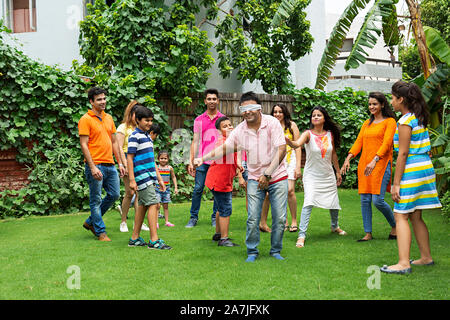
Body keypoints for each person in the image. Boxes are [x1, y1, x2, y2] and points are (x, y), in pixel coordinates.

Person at [197, 91, 288, 262]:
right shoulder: (240, 130)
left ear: (259, 108)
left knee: (280, 217)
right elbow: (224, 148)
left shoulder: (272, 123)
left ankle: (275, 250)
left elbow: (281, 149)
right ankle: (252, 251)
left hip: (277, 175)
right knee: (253, 217)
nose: (248, 112)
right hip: (254, 177)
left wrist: (268, 174)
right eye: (244, 109)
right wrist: (203, 158)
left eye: (251, 108)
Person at [380, 81, 441, 274]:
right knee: (415, 215)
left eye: (392, 97)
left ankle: (403, 263)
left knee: (400, 215)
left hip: (412, 168)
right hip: (425, 167)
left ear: (401, 99)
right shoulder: (418, 118)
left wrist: (396, 184)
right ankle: (425, 257)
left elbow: (403, 154)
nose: (391, 101)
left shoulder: (405, 121)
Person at [286, 106, 346, 248]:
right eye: (314, 115)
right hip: (311, 175)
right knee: (309, 201)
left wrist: (337, 172)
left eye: (319, 115)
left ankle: (334, 226)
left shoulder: (330, 134)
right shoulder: (307, 134)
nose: (316, 117)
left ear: (324, 118)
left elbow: (333, 155)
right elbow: (296, 144)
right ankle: (301, 235)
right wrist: (288, 141)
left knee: (333, 201)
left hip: (327, 174)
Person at [341, 92, 397, 242]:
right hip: (364, 166)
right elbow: (359, 142)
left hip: (381, 164)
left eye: (375, 104)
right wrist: (348, 158)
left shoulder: (390, 122)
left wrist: (375, 159)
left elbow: (387, 144)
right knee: (365, 199)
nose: (371, 107)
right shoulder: (367, 123)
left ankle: (395, 225)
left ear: (382, 105)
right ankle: (368, 233)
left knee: (378, 200)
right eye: (370, 104)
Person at [78, 87, 125, 241]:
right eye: (99, 99)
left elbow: (114, 142)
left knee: (114, 194)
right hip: (95, 164)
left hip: (110, 164)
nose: (103, 101)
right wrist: (91, 167)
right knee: (96, 199)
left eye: (104, 98)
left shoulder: (109, 118)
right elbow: (84, 145)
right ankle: (100, 232)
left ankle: (91, 221)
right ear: (91, 101)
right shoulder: (85, 119)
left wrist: (120, 163)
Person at [127, 105, 172, 250]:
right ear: (138, 120)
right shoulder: (135, 136)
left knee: (143, 206)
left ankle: (134, 238)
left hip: (150, 176)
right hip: (141, 176)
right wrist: (132, 180)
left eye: (151, 120)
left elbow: (152, 161)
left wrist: (159, 179)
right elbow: (129, 158)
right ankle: (154, 240)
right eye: (146, 120)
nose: (149, 123)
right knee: (153, 203)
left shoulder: (147, 136)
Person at [195, 116, 241, 247]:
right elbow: (219, 152)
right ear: (219, 131)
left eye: (230, 125)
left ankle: (218, 234)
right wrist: (203, 158)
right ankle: (224, 239)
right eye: (225, 126)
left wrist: (237, 165)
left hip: (219, 180)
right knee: (226, 209)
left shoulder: (229, 140)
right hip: (219, 181)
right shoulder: (223, 141)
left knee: (220, 208)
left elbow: (235, 152)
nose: (229, 127)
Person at [186, 88, 225, 228]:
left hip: (218, 161)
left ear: (218, 101)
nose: (212, 101)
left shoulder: (223, 119)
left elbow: (226, 140)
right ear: (205, 101)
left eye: (214, 99)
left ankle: (215, 217)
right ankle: (193, 217)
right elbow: (195, 142)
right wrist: (191, 161)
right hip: (202, 161)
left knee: (217, 190)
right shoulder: (199, 120)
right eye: (209, 99)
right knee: (198, 189)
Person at [260, 104, 301, 233]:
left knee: (290, 191)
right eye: (275, 112)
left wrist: (298, 166)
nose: (277, 114)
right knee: (274, 192)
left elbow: (298, 146)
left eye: (280, 112)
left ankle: (294, 220)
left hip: (290, 160)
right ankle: (284, 221)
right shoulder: (269, 126)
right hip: (274, 161)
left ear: (285, 113)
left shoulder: (292, 125)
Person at [116, 100, 149, 233]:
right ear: (132, 114)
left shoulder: (140, 129)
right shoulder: (123, 127)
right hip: (127, 159)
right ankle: (123, 221)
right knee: (130, 192)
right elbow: (118, 147)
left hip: (139, 161)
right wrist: (122, 164)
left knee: (139, 193)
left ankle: (139, 222)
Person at [155, 150, 178, 227]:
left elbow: (173, 177)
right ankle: (156, 222)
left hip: (167, 189)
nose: (163, 160)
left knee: (165, 206)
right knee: (157, 206)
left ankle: (167, 221)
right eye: (161, 158)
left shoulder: (169, 168)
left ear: (168, 159)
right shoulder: (157, 168)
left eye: (165, 158)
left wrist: (175, 187)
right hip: (157, 189)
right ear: (158, 159)